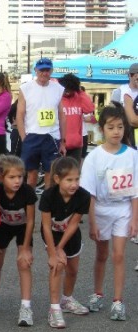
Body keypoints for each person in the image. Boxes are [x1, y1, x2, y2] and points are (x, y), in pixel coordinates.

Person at [80, 106, 138, 320]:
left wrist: (135, 219)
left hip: (123, 210)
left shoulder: (133, 156)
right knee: (102, 254)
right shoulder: (94, 157)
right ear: (102, 129)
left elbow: (135, 192)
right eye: (111, 127)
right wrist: (92, 222)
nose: (116, 131)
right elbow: (91, 194)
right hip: (101, 210)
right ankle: (97, 293)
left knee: (119, 254)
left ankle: (118, 301)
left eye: (120, 127)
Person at [0, 155, 37, 326]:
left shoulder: (27, 191)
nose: (17, 181)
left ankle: (26, 307)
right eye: (12, 177)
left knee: (23, 263)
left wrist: (25, 248)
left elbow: (30, 221)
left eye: (20, 177)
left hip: (23, 228)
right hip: (2, 227)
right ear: (1, 177)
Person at [39, 157, 91, 329]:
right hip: (52, 233)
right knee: (58, 265)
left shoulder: (83, 196)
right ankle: (54, 309)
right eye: (69, 180)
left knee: (73, 269)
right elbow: (46, 226)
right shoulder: (48, 196)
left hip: (70, 235)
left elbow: (74, 224)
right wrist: (54, 252)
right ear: (57, 179)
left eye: (77, 179)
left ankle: (67, 299)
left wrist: (61, 247)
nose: (74, 184)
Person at [16, 58, 67, 189]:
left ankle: (47, 206)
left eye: (47, 70)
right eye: (41, 70)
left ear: (51, 71)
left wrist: (63, 141)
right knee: (31, 175)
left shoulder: (58, 88)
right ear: (36, 71)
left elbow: (62, 115)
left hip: (51, 136)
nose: (44, 73)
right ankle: (30, 206)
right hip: (32, 135)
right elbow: (20, 114)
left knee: (51, 174)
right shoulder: (26, 88)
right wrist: (24, 138)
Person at [57, 74, 95, 164]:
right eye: (65, 89)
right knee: (60, 173)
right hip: (59, 144)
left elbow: (89, 109)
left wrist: (80, 91)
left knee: (75, 173)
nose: (67, 91)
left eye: (70, 89)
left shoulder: (79, 97)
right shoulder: (57, 98)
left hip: (76, 145)